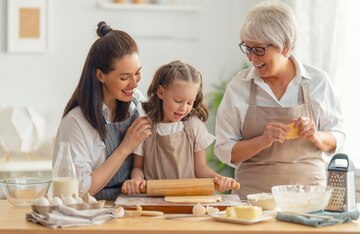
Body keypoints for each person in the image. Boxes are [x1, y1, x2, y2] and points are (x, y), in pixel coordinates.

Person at [215, 1, 345, 199]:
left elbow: (337, 135)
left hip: (309, 196)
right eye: (247, 48)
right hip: (251, 198)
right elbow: (224, 150)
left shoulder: (318, 81)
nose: (251, 57)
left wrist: (315, 136)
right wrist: (263, 140)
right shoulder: (239, 86)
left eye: (258, 49)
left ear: (285, 47)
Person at [52, 21, 152, 200]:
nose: (134, 83)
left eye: (137, 73)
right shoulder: (75, 122)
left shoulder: (137, 103)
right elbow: (80, 190)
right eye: (124, 77)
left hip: (132, 207)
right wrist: (125, 148)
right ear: (100, 75)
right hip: (92, 211)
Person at [121, 61, 238, 194]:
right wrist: (136, 180)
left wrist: (220, 179)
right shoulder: (144, 127)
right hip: (153, 200)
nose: (183, 108)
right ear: (161, 92)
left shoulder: (194, 126)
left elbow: (200, 168)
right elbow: (138, 167)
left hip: (188, 199)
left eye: (189, 102)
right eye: (178, 101)